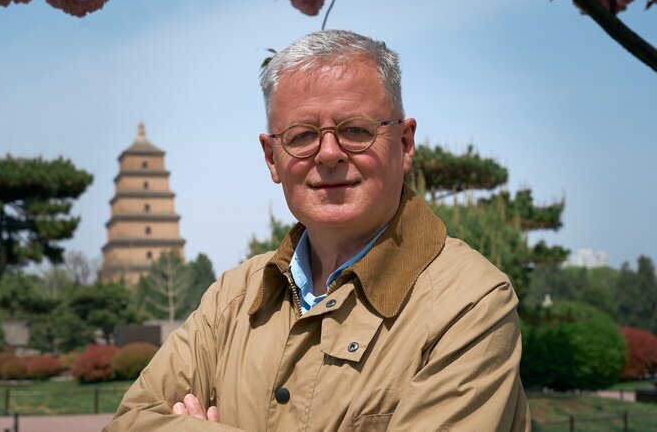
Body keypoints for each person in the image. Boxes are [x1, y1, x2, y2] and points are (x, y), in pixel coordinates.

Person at [104, 30, 530, 431]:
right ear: (272, 158)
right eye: (303, 136)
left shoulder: (469, 302)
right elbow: (130, 419)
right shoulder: (233, 298)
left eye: (356, 131)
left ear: (404, 144)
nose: (328, 154)